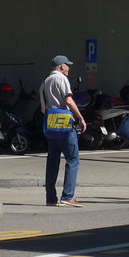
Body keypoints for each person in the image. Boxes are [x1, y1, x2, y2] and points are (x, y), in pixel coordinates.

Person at [39, 54, 87, 207]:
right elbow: (68, 99)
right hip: (65, 123)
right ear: (61, 66)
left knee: (52, 161)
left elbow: (42, 107)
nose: (69, 68)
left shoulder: (45, 81)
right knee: (73, 159)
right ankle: (68, 195)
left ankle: (50, 198)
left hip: (50, 123)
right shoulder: (61, 79)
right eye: (67, 65)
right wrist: (80, 117)